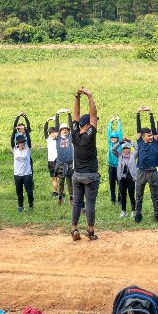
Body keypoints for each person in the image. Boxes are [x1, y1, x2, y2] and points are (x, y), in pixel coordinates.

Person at [70, 87, 99, 240]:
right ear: (87, 125)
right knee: (90, 203)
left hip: (77, 175)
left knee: (76, 202)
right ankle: (90, 230)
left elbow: (75, 114)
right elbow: (93, 114)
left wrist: (77, 97)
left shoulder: (74, 133)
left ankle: (74, 229)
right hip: (91, 175)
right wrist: (90, 96)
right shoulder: (90, 135)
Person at [134, 107, 158, 223]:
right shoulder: (139, 141)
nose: (150, 137)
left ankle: (156, 216)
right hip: (141, 172)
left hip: (152, 172)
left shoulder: (155, 142)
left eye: (151, 135)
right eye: (148, 135)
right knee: (139, 195)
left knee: (155, 196)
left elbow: (154, 129)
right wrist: (138, 113)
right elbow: (138, 128)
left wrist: (150, 113)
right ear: (143, 136)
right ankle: (138, 215)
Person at [53, 109, 74, 206]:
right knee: (61, 181)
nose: (64, 130)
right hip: (61, 163)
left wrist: (69, 114)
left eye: (66, 129)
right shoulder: (57, 137)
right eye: (63, 129)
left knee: (70, 181)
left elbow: (71, 125)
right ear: (60, 131)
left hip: (69, 162)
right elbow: (57, 126)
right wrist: (57, 114)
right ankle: (60, 198)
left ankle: (71, 198)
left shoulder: (70, 137)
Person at [112, 138, 138, 218]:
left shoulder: (133, 155)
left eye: (127, 148)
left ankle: (134, 211)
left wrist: (130, 141)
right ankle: (123, 211)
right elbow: (113, 149)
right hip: (122, 179)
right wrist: (119, 143)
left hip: (131, 179)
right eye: (124, 148)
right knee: (122, 195)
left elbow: (138, 148)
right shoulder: (119, 155)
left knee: (131, 195)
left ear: (129, 149)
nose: (125, 150)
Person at [12, 133, 34, 213]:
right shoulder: (15, 150)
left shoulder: (27, 149)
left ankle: (31, 205)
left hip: (27, 174)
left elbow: (29, 140)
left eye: (24, 142)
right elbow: (11, 140)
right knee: (19, 192)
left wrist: (26, 130)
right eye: (21, 142)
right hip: (17, 175)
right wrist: (14, 130)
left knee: (29, 192)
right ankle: (20, 206)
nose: (23, 143)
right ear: (17, 143)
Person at [106, 117, 124, 204]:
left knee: (120, 183)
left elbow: (120, 132)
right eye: (111, 137)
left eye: (114, 137)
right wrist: (110, 122)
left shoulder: (119, 144)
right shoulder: (110, 143)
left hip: (118, 166)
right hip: (111, 166)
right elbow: (108, 132)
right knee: (111, 183)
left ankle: (120, 199)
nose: (112, 138)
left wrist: (118, 122)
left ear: (117, 138)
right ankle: (113, 199)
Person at [44, 116, 59, 197]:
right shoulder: (48, 139)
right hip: (51, 161)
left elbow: (57, 127)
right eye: (52, 133)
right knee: (53, 177)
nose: (53, 134)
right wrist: (47, 120)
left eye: (55, 132)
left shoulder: (59, 138)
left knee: (61, 177)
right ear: (50, 134)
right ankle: (55, 192)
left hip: (59, 160)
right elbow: (45, 130)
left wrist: (55, 119)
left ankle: (61, 192)